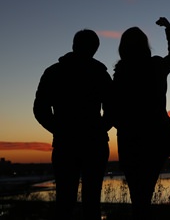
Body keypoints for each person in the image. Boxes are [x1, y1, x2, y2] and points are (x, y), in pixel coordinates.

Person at [110, 17, 170, 219]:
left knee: (138, 195)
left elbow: (113, 107)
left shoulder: (121, 72)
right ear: (145, 46)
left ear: (123, 48)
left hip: (130, 139)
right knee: (145, 193)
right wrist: (169, 29)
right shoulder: (156, 66)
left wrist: (121, 125)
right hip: (155, 137)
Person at [33, 29, 112, 220]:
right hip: (88, 144)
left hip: (70, 144)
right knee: (89, 202)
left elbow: (40, 109)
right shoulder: (99, 73)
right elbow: (113, 109)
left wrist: (60, 130)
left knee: (66, 201)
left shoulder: (54, 72)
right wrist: (100, 128)